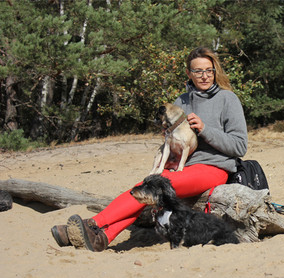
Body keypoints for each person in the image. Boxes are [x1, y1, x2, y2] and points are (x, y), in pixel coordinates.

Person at [50, 47, 248, 252]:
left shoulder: (228, 99)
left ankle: (93, 225)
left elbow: (240, 146)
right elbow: (174, 139)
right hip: (182, 167)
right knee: (146, 187)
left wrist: (205, 129)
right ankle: (101, 237)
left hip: (212, 168)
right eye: (198, 71)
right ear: (189, 73)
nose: (205, 76)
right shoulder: (181, 101)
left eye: (209, 70)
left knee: (152, 188)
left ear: (215, 71)